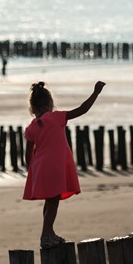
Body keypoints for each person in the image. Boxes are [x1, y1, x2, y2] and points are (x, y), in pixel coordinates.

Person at [23, 80, 106, 249]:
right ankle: (45, 236)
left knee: (50, 202)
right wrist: (95, 93)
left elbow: (28, 153)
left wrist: (31, 171)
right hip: (54, 167)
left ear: (32, 108)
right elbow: (82, 110)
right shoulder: (57, 117)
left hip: (39, 168)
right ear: (50, 103)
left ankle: (49, 232)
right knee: (53, 201)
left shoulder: (32, 127)